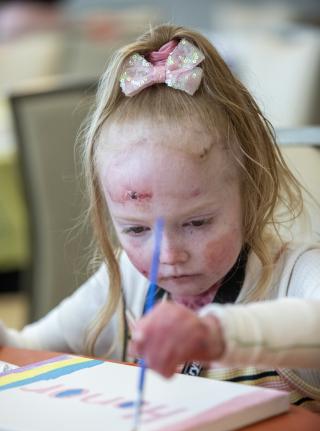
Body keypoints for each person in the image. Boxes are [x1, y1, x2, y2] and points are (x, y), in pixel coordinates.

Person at [0, 24, 319, 411]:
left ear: (250, 192)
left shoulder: (294, 276)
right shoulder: (125, 288)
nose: (167, 255)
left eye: (197, 223)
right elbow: (25, 349)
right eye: (135, 228)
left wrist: (213, 334)